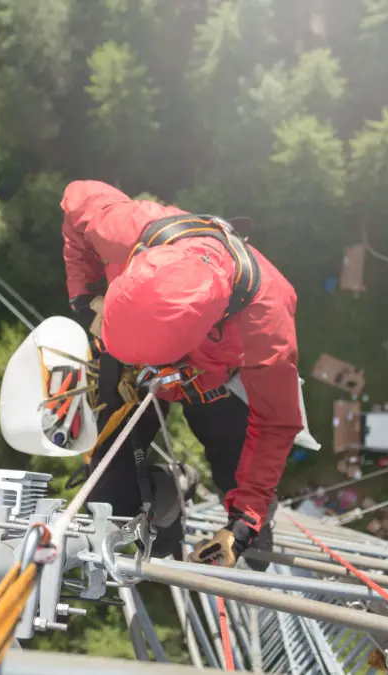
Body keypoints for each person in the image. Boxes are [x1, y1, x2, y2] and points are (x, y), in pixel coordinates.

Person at [61, 179, 304, 569]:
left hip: (215, 382)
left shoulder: (266, 324)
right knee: (109, 501)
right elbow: (76, 202)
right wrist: (85, 296)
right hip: (127, 353)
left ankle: (250, 525)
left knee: (235, 471)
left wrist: (245, 522)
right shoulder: (129, 227)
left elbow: (275, 423)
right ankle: (164, 514)